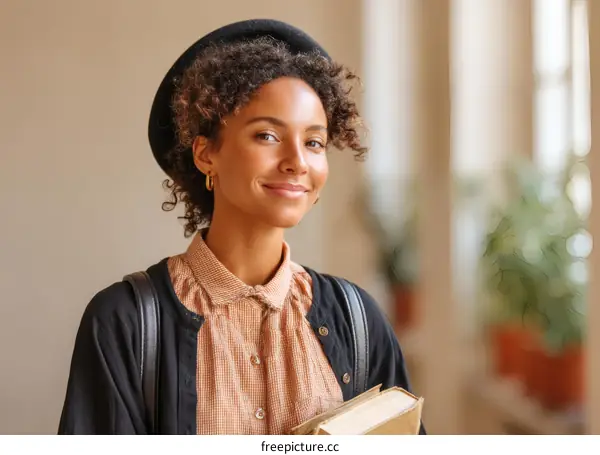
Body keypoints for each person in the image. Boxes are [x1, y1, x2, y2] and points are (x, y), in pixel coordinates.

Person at [58, 19, 424, 435]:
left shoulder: (358, 321)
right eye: (267, 135)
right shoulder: (127, 322)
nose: (297, 161)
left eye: (314, 142)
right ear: (205, 154)